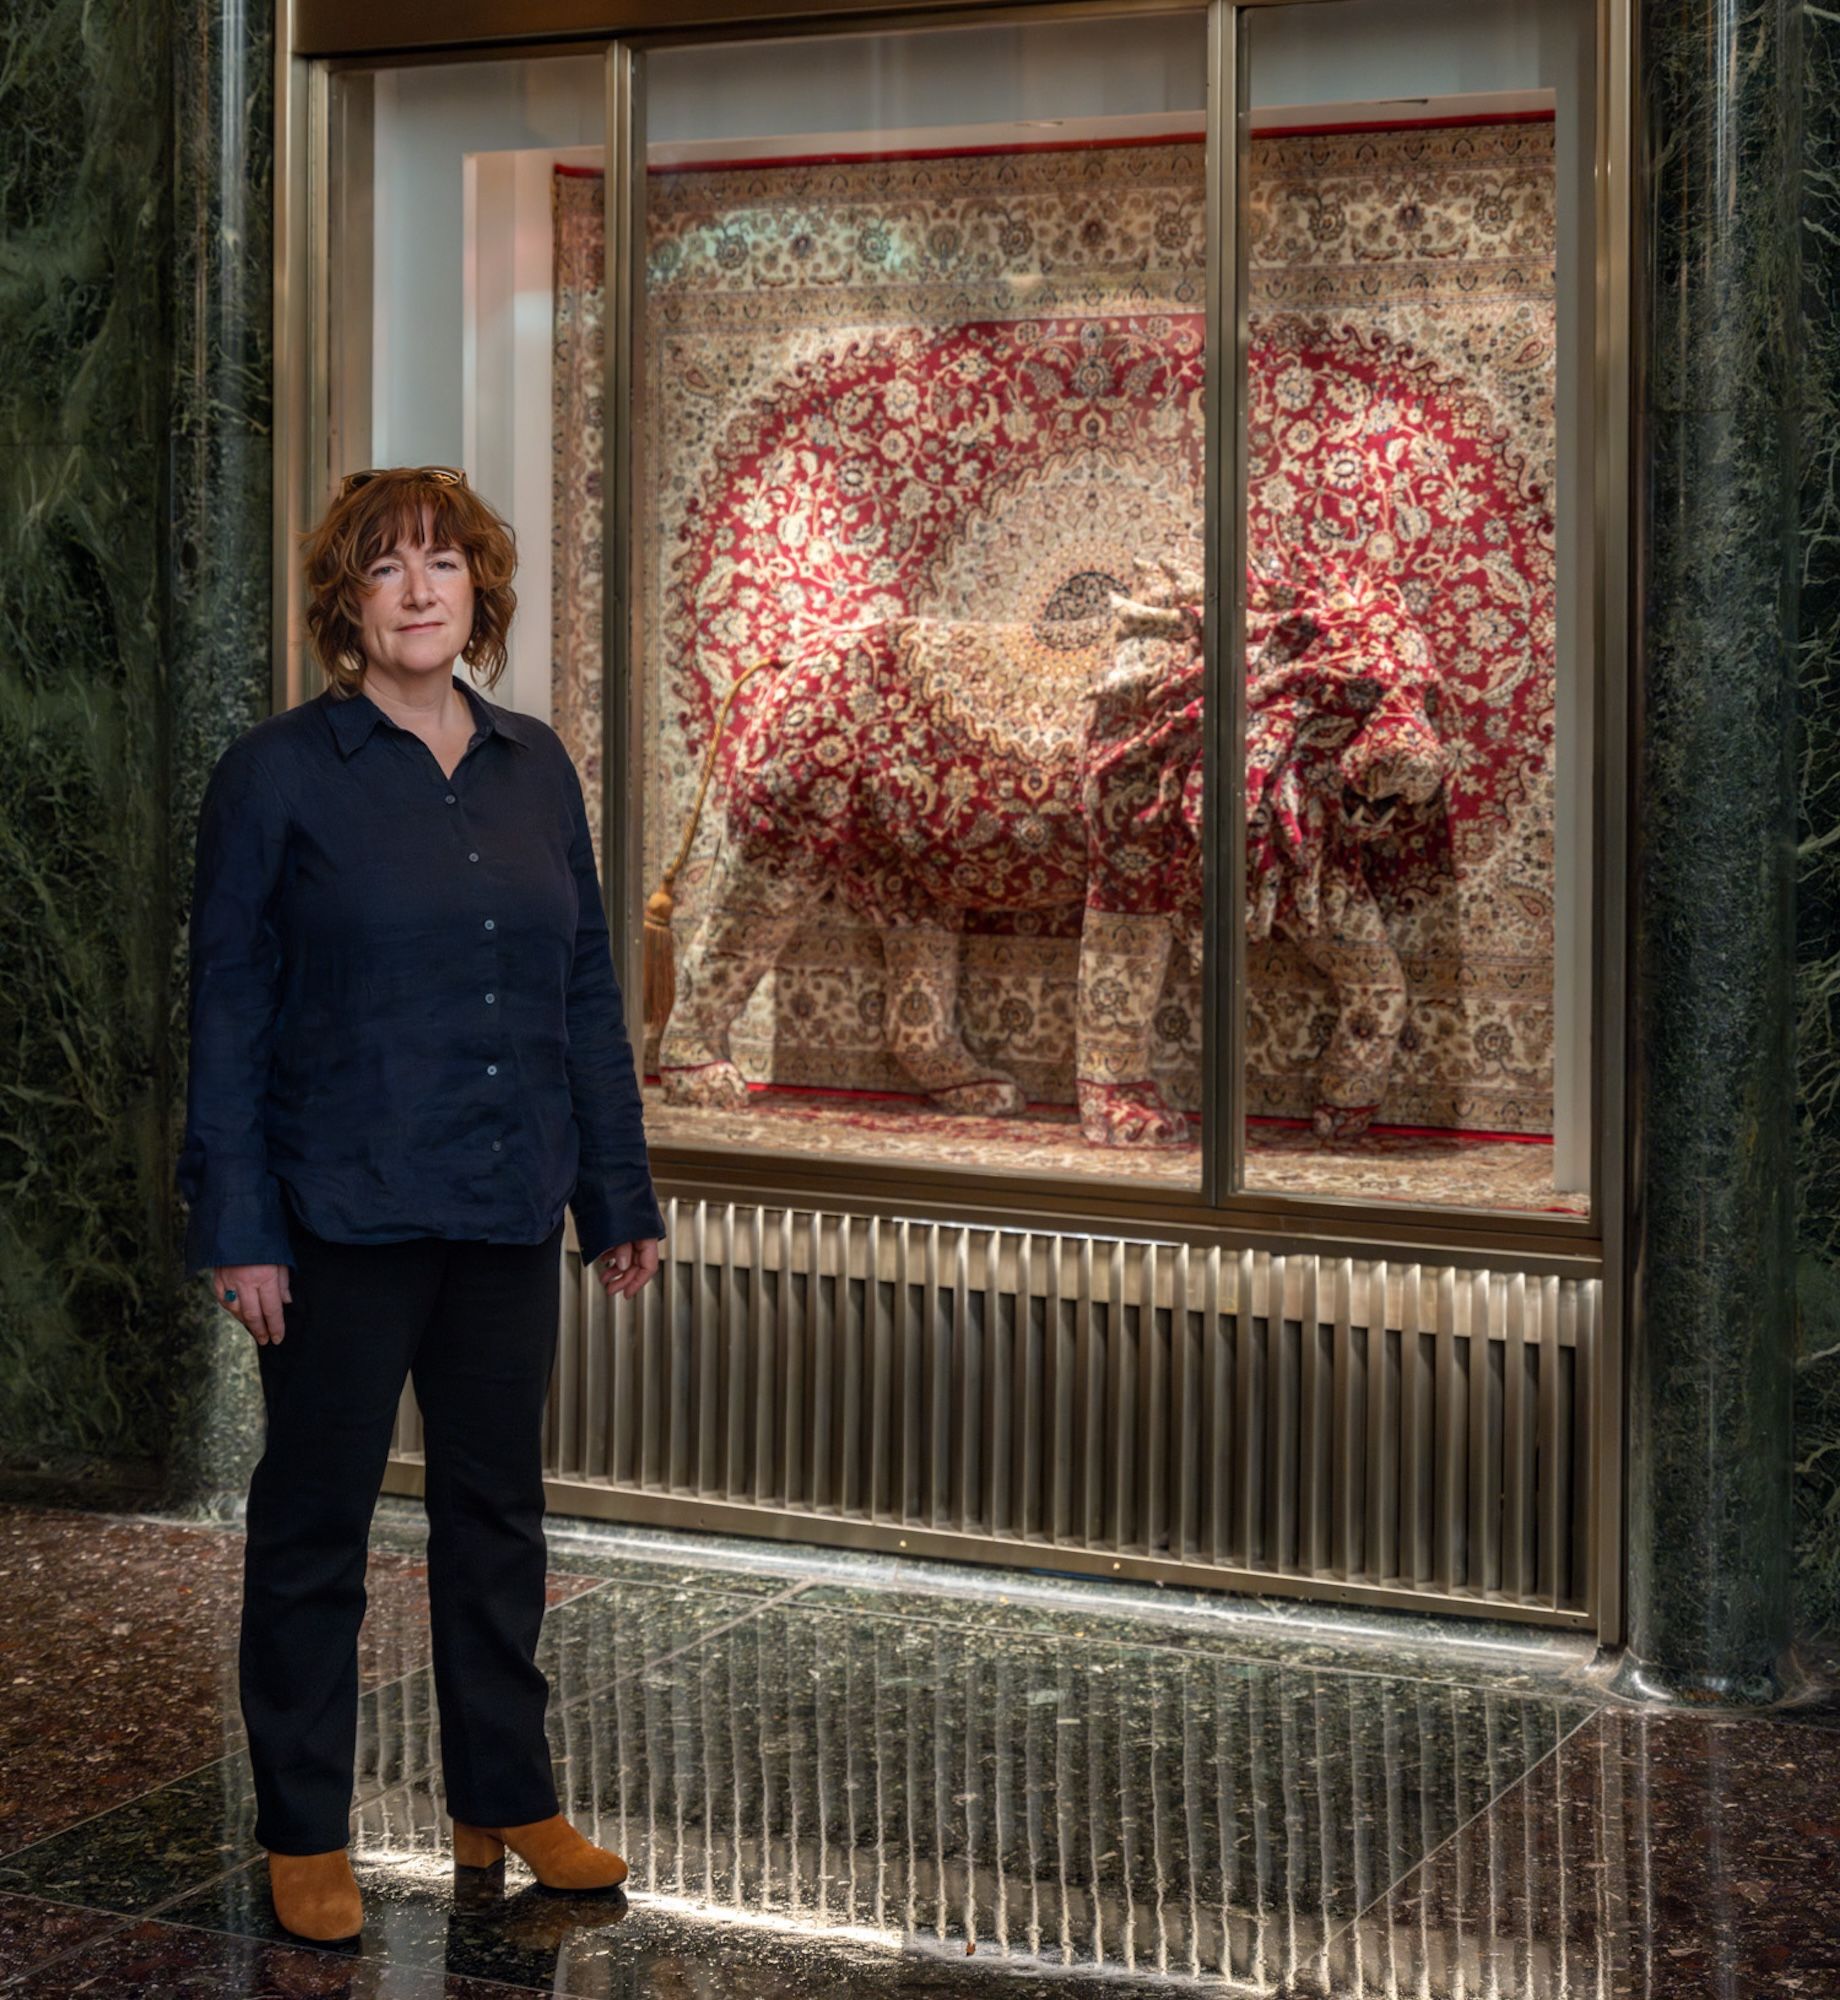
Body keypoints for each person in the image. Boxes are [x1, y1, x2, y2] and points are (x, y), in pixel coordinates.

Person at [176, 465, 666, 1944]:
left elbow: (585, 991)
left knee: (495, 1514)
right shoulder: (277, 776)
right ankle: (304, 1827)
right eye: (386, 568)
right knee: (318, 1524)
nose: (417, 589)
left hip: (505, 1203)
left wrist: (616, 1187)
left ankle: (504, 1796)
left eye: (443, 565)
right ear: (347, 600)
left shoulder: (536, 768)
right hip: (336, 1213)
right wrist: (240, 1224)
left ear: (478, 595)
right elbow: (228, 1011)